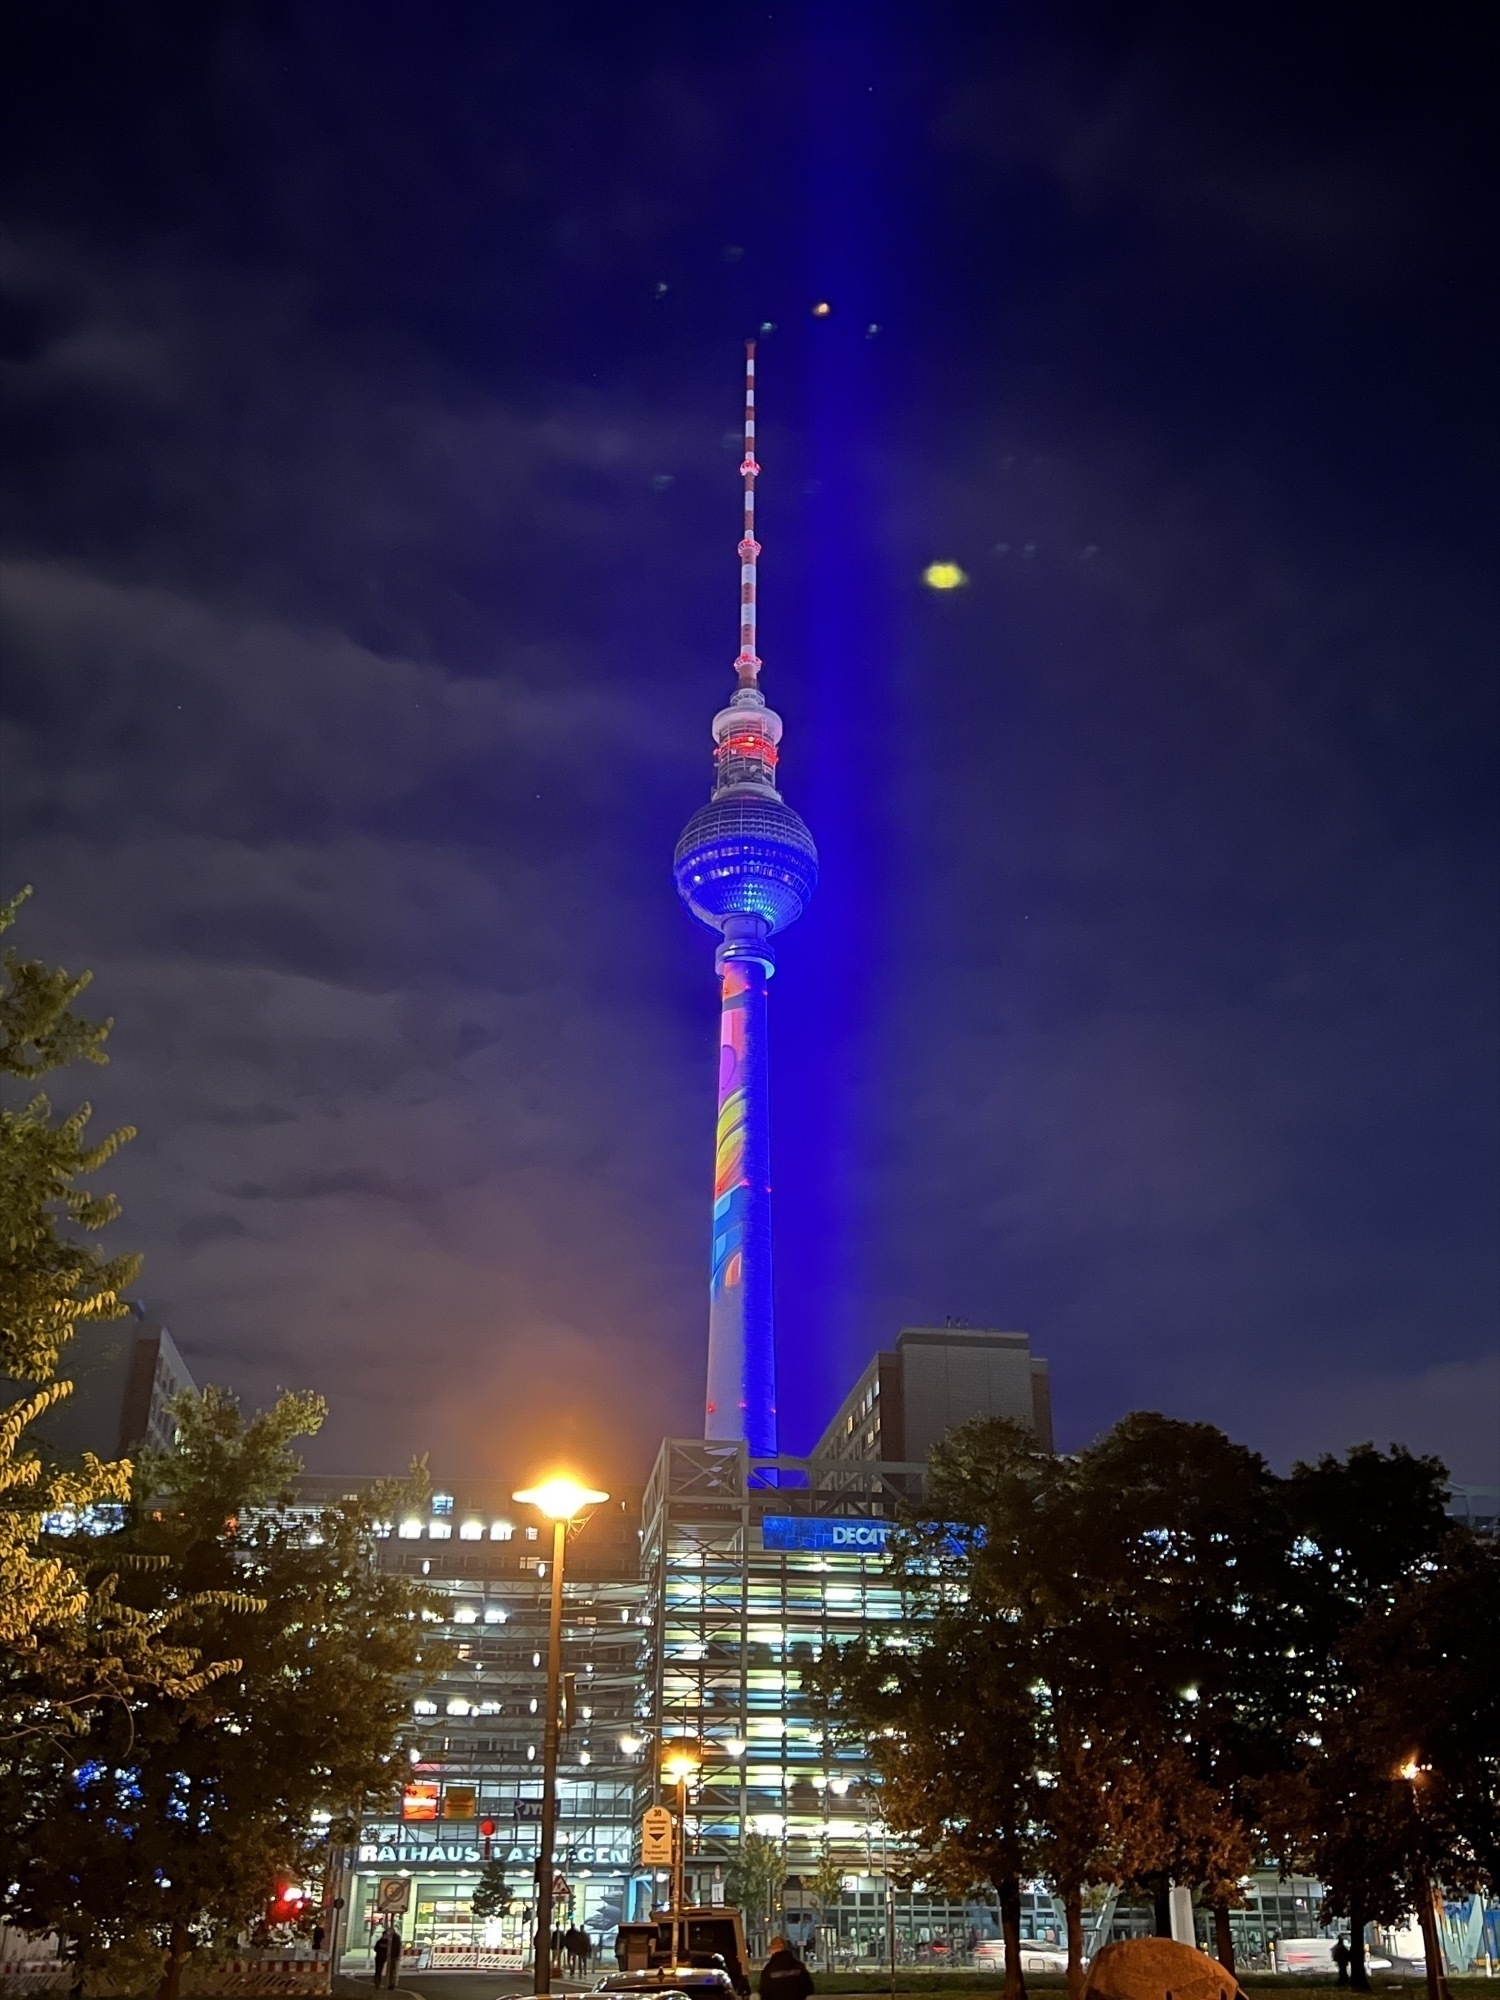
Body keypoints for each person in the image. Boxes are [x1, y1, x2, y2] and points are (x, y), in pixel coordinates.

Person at [760, 1936, 814, 2000]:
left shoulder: (768, 1970)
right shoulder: (799, 1966)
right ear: (785, 1948)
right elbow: (810, 1989)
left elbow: (763, 1992)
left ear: (772, 1950)